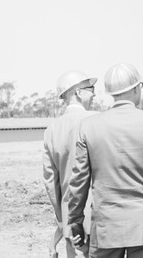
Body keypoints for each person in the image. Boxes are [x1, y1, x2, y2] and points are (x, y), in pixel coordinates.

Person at [68, 63, 143, 258]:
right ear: (137, 88)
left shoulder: (88, 126)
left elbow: (78, 181)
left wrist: (75, 220)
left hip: (106, 227)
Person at [43, 70, 98, 258]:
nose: (94, 93)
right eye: (91, 88)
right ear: (78, 92)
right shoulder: (97, 120)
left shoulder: (52, 129)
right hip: (99, 217)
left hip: (70, 222)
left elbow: (50, 181)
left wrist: (62, 217)